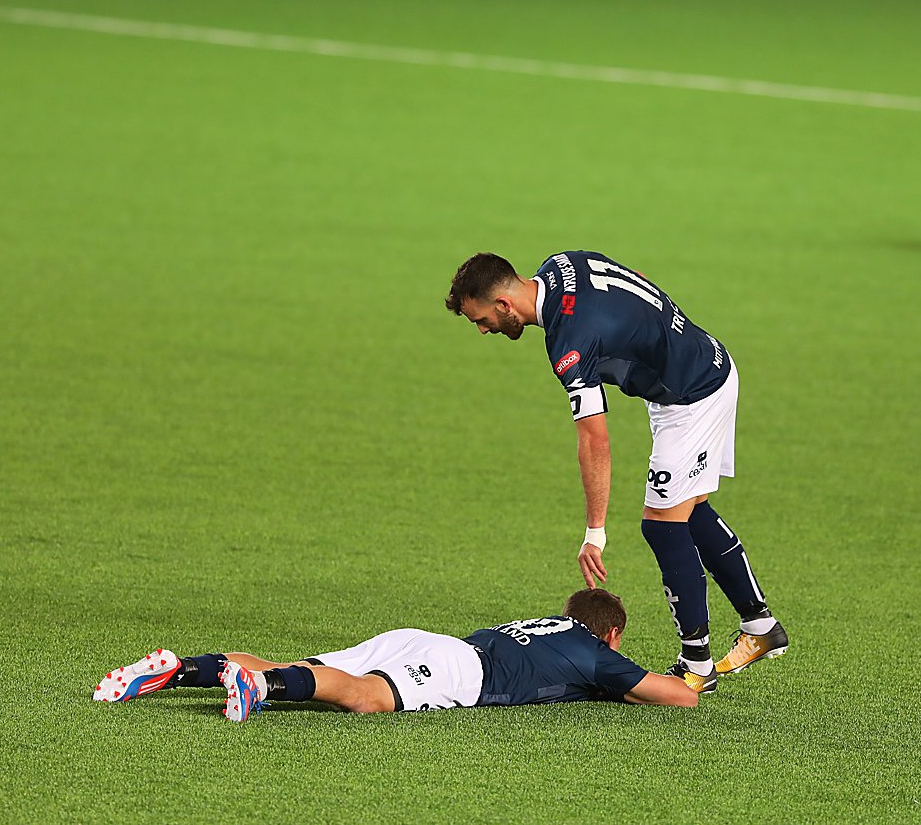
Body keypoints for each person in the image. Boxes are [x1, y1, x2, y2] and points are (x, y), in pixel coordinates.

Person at [445, 251, 788, 694]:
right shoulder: (561, 263)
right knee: (689, 508)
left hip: (692, 394)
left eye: (482, 319)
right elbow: (636, 277)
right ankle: (760, 624)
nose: (483, 329)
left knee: (662, 526)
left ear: (506, 305)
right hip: (700, 366)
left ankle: (696, 664)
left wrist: (595, 531)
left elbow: (595, 439)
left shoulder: (568, 344)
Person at [92, 588, 698, 720]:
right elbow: (673, 693)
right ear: (610, 634)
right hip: (459, 670)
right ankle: (261, 691)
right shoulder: (594, 650)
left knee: (303, 664)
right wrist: (702, 672)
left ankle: (176, 671)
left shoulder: (549, 627)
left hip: (424, 641)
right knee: (365, 699)